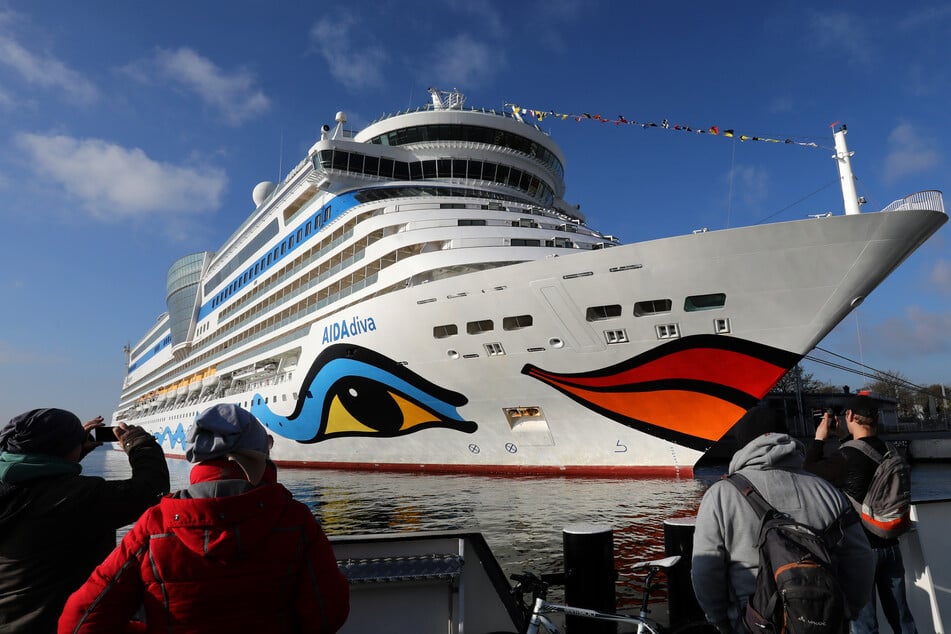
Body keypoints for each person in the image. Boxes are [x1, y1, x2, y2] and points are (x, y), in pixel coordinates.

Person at [59, 403, 350, 633]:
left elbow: (81, 622)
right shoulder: (295, 519)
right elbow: (329, 613)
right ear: (260, 453)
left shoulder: (155, 526)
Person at [691, 406, 873, 633]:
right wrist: (846, 611)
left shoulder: (720, 495)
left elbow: (705, 570)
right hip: (824, 622)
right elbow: (861, 558)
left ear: (744, 445)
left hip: (752, 623)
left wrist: (721, 621)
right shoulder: (827, 490)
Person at [0, 409, 170, 633]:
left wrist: (69, 451)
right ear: (64, 447)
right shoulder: (76, 497)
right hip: (55, 622)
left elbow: (41, 480)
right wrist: (139, 444)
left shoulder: (11, 487)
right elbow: (150, 490)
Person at [804, 395, 918, 634]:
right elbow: (864, 457)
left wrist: (819, 439)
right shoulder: (890, 450)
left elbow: (808, 473)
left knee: (864, 623)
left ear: (850, 416)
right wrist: (842, 437)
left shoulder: (846, 457)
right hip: (891, 542)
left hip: (861, 550)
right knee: (902, 618)